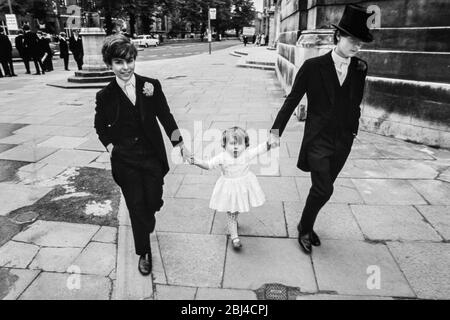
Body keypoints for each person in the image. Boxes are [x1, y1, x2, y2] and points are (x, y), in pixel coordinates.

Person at [269, 4, 374, 254]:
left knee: (321, 189)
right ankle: (304, 229)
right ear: (338, 36)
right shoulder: (313, 67)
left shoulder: (360, 68)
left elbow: (355, 102)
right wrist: (275, 132)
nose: (356, 46)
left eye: (360, 41)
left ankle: (306, 224)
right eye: (351, 39)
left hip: (342, 140)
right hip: (318, 139)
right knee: (324, 188)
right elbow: (292, 100)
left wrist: (353, 130)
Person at [94, 35, 191, 276]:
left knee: (153, 200)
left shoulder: (151, 85)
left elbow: (166, 116)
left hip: (151, 156)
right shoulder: (104, 96)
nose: (125, 67)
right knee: (136, 206)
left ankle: (150, 212)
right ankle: (144, 251)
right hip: (125, 159)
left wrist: (179, 143)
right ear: (110, 65)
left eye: (129, 61)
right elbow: (100, 126)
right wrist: (110, 147)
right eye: (118, 62)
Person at [189, 127, 272, 250]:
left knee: (236, 209)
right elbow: (208, 165)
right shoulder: (222, 157)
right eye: (232, 143)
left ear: (246, 144)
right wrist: (196, 161)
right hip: (229, 189)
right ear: (224, 144)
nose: (236, 147)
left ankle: (233, 222)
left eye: (240, 144)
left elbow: (260, 149)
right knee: (231, 212)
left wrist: (270, 142)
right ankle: (234, 236)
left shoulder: (247, 154)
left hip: (243, 187)